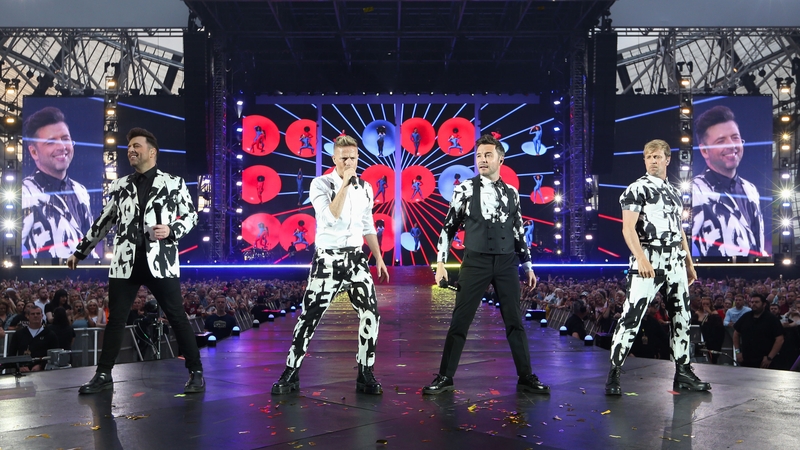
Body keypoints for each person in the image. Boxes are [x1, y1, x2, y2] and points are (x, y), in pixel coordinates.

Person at [67, 127, 204, 395]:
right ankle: (104, 374)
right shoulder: (119, 185)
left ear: (152, 152)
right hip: (124, 263)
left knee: (177, 317)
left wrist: (172, 229)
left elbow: (190, 216)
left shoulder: (173, 183)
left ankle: (196, 372)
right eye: (129, 147)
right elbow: (104, 222)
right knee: (116, 319)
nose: (131, 150)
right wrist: (80, 252)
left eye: (136, 146)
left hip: (160, 261)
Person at [425, 134, 548, 395]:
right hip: (475, 261)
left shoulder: (513, 193)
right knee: (460, 320)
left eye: (488, 155)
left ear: (500, 159)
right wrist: (441, 264)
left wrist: (528, 266)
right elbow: (448, 228)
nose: (482, 159)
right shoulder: (465, 189)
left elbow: (518, 232)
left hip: (506, 263)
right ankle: (445, 376)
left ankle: (526, 376)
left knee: (515, 321)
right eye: (479, 155)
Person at [271, 134, 389, 396]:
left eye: (353, 158)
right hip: (328, 259)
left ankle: (365, 371)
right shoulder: (320, 184)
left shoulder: (367, 188)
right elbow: (330, 216)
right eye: (344, 158)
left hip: (356, 258)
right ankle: (291, 371)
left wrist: (378, 257)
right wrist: (345, 184)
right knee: (309, 316)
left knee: (371, 314)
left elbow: (367, 223)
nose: (349, 162)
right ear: (334, 158)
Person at [606, 139, 710, 396]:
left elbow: (679, 229)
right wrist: (640, 257)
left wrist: (689, 261)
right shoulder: (636, 189)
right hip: (649, 256)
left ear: (667, 159)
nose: (652, 160)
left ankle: (683, 372)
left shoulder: (674, 192)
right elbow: (627, 228)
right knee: (632, 316)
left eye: (656, 156)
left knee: (683, 318)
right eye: (648, 156)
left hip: (674, 259)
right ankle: (614, 373)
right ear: (644, 160)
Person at [21, 106, 95, 259]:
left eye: (65, 139)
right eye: (51, 142)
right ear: (34, 152)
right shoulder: (25, 192)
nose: (61, 147)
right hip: (42, 275)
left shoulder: (80, 190)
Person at [691, 105, 766, 257]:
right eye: (721, 141)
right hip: (717, 275)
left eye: (735, 137)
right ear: (704, 150)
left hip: (755, 273)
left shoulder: (750, 189)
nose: (732, 145)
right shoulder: (696, 191)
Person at [733, 293, 784, 368]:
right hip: (746, 359)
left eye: (756, 302)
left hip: (764, 360)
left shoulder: (772, 319)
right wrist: (737, 352)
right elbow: (736, 334)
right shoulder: (746, 317)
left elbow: (780, 339)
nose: (753, 304)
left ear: (764, 304)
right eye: (752, 302)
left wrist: (770, 357)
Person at [5, 306, 59, 372]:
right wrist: (19, 367)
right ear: (27, 316)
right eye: (32, 314)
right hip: (23, 373)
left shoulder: (50, 334)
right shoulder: (19, 334)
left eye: (38, 313)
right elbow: (11, 355)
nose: (35, 316)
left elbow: (54, 355)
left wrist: (41, 365)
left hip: (43, 373)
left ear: (42, 316)